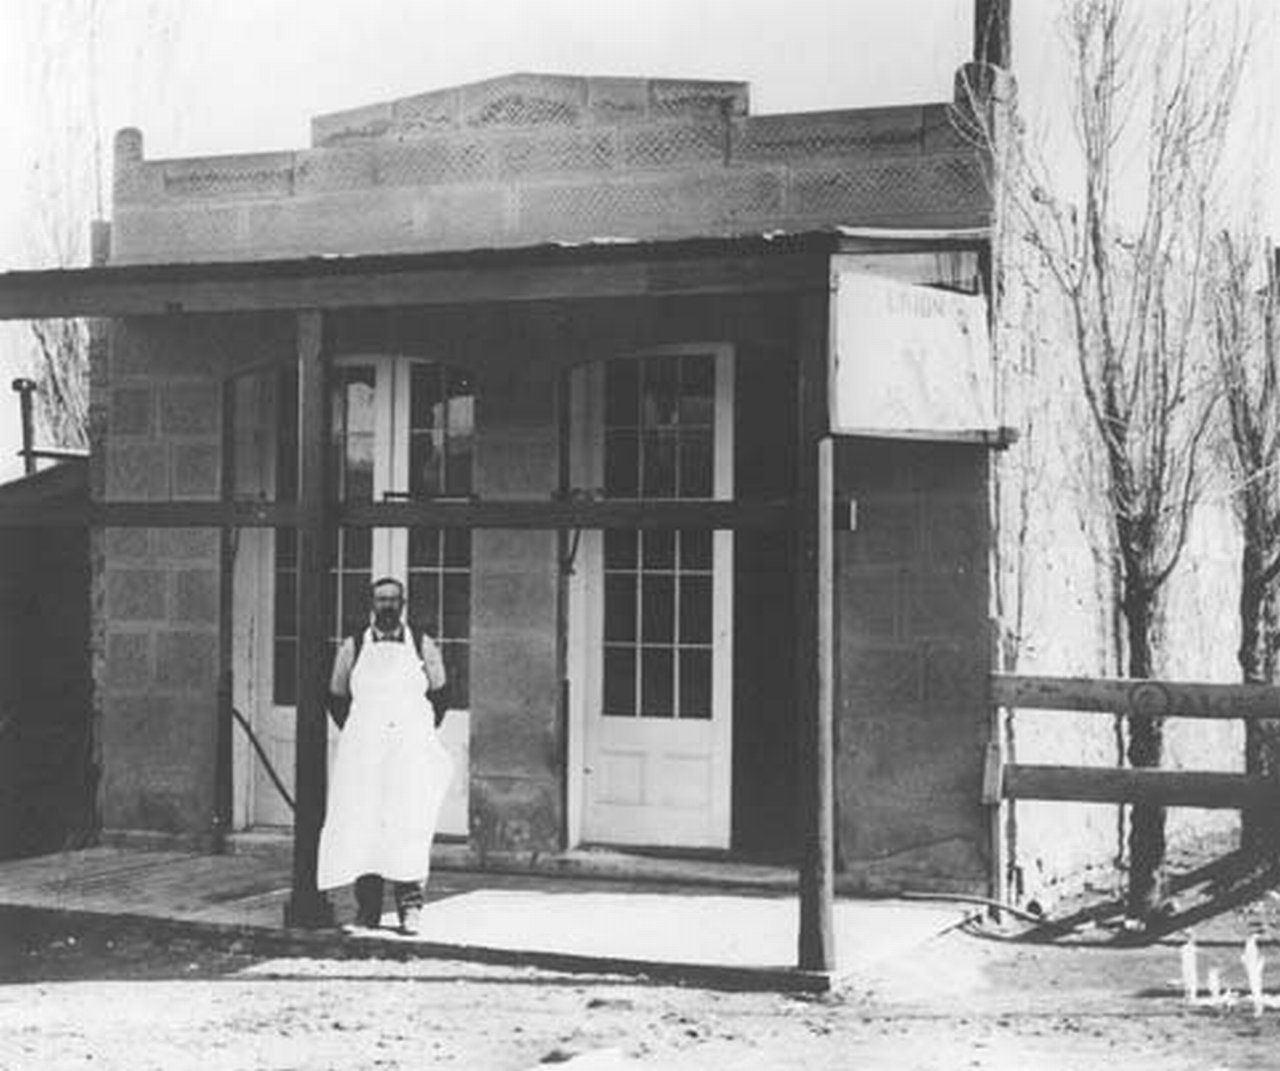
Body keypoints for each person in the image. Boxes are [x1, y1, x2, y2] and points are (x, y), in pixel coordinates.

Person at [317, 576, 453, 935]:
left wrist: (415, 733)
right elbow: (336, 694)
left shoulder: (422, 644)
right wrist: (363, 734)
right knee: (366, 824)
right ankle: (369, 910)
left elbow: (440, 696)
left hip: (407, 754)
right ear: (372, 604)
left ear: (403, 604)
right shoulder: (354, 646)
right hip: (366, 756)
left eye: (394, 600)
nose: (388, 606)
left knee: (408, 824)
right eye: (381, 600)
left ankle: (410, 908)